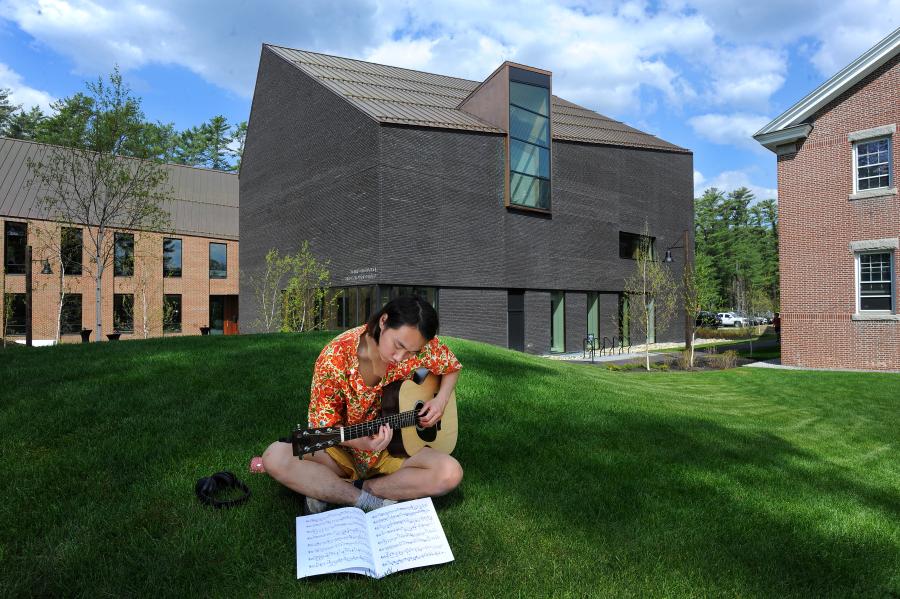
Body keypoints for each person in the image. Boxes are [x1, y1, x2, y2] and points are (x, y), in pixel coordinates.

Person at [262, 295, 463, 513]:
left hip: (395, 449)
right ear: (384, 321)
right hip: (342, 451)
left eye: (411, 353)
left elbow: (451, 366)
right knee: (275, 457)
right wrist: (359, 443)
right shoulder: (336, 357)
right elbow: (323, 424)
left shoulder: (418, 344)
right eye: (398, 346)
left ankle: (362, 488)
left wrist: (440, 401)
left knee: (450, 473)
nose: (401, 357)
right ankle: (362, 499)